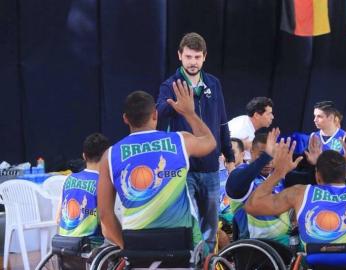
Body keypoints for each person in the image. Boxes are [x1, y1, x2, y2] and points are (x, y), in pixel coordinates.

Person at [98, 81, 216, 249]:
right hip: (179, 246)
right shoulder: (180, 140)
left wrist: (128, 248)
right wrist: (189, 113)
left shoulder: (108, 156)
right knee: (205, 249)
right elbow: (210, 142)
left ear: (125, 118)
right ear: (155, 114)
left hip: (138, 249)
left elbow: (104, 215)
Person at [156, 32, 234, 251]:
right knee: (189, 222)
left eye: (197, 57)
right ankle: (189, 261)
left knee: (210, 224)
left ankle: (206, 263)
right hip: (184, 167)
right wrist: (177, 105)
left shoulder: (213, 83)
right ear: (180, 56)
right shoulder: (170, 84)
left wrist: (229, 155)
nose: (193, 62)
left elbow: (222, 122)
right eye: (189, 57)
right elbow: (158, 112)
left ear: (204, 57)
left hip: (211, 167)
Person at [245, 134, 346, 252]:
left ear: (317, 176)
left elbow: (252, 206)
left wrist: (278, 173)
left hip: (314, 262)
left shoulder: (299, 193)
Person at [226, 130, 292, 245]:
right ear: (251, 152)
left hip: (285, 241)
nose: (268, 162)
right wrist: (265, 157)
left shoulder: (278, 175)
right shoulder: (241, 175)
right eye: (263, 155)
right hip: (256, 246)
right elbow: (237, 182)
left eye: (273, 155)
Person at [58, 133, 110, 244]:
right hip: (88, 246)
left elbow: (57, 218)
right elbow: (106, 225)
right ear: (106, 157)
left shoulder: (68, 179)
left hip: (63, 243)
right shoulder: (103, 183)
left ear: (84, 156)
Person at [228, 97, 274, 161]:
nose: (272, 117)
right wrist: (243, 145)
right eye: (269, 114)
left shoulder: (244, 121)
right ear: (257, 115)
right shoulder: (242, 130)